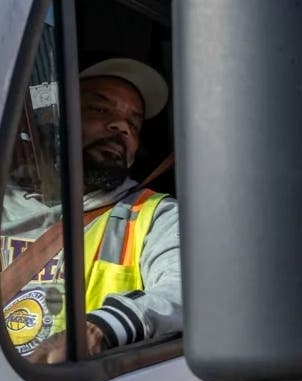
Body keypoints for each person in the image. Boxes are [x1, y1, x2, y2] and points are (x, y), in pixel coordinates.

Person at [1, 57, 180, 362]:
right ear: (51, 118)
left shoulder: (155, 216)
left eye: (134, 123)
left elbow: (189, 290)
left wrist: (101, 327)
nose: (121, 126)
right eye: (99, 109)